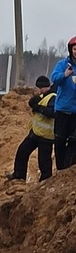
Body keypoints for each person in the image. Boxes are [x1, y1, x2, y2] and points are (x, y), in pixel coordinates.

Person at [7, 75, 56, 182]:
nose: (37, 90)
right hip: (35, 133)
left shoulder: (53, 96)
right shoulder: (43, 96)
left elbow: (52, 113)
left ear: (42, 87)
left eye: (38, 88)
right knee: (22, 152)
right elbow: (32, 102)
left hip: (46, 136)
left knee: (44, 162)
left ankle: (45, 182)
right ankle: (19, 175)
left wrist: (38, 108)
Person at [51, 37, 76, 169]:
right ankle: (60, 169)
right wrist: (65, 75)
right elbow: (54, 78)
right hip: (62, 110)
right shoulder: (63, 64)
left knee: (74, 141)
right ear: (71, 50)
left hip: (75, 112)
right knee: (60, 140)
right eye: (75, 49)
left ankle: (70, 168)